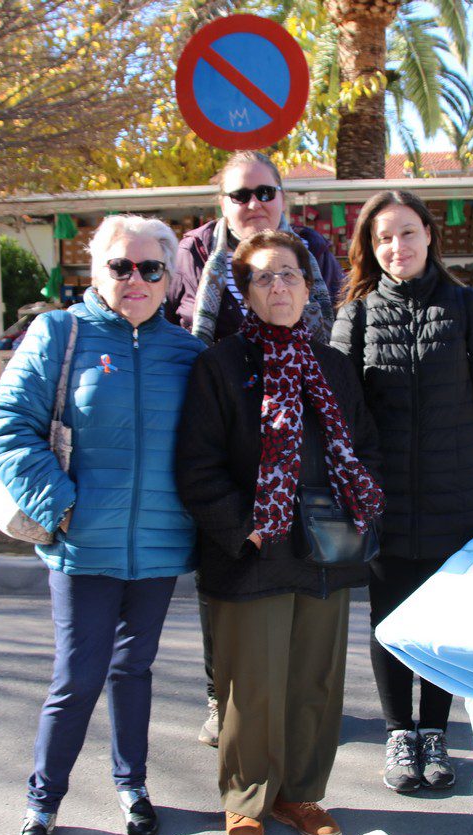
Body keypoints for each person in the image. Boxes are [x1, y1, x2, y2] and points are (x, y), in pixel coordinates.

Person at [0, 215, 206, 835]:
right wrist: (59, 508)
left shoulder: (188, 353)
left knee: (134, 670)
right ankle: (42, 802)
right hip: (81, 544)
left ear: (168, 277)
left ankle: (132, 788)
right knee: (77, 677)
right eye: (120, 266)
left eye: (150, 268)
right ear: (97, 271)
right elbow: (9, 427)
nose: (134, 279)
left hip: (161, 545)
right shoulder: (60, 333)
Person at [175, 229, 384, 835]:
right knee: (252, 682)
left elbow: (365, 448)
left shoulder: (333, 366)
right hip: (254, 551)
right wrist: (246, 531)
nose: (280, 286)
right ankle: (245, 802)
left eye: (289, 274)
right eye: (264, 277)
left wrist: (362, 510)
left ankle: (300, 794)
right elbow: (198, 466)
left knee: (314, 680)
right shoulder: (221, 365)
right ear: (244, 292)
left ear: (306, 284)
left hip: (325, 551)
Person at [330, 190, 473, 794]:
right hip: (381, 499)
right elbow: (336, 414)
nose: (396, 247)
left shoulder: (466, 307)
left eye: (407, 233)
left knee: (439, 622)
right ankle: (398, 734)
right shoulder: (355, 315)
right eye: (383, 237)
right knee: (390, 620)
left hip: (453, 493)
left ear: (430, 235)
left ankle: (435, 732)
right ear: (369, 246)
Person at [166, 150, 346, 748]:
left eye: (264, 191)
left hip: (301, 422)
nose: (253, 204)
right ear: (220, 202)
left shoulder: (312, 252)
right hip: (222, 423)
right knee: (224, 567)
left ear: (283, 196)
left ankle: (289, 699)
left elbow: (331, 329)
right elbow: (171, 327)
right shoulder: (190, 254)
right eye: (239, 195)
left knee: (296, 567)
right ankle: (224, 695)